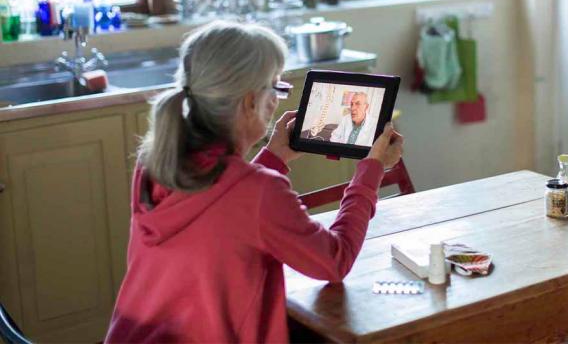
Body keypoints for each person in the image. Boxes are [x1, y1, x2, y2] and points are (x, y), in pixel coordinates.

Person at [104, 21, 403, 343]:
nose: (278, 99)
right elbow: (334, 261)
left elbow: (221, 207)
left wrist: (274, 158)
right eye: (275, 86)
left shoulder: (155, 163)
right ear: (249, 101)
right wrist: (370, 171)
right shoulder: (258, 191)